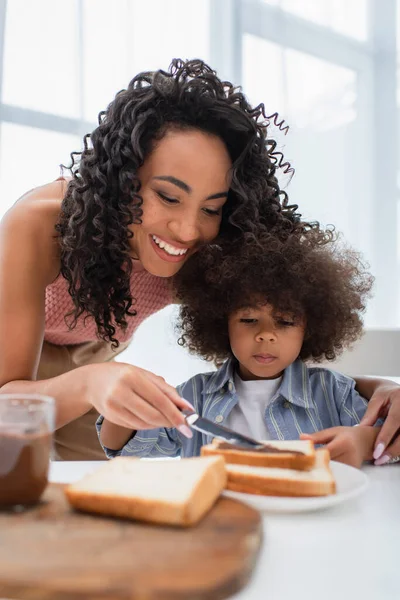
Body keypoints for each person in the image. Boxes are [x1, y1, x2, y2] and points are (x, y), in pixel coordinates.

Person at [1, 59, 399, 461]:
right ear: (121, 181)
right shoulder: (44, 224)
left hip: (94, 358)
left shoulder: (210, 251)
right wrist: (87, 384)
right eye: (168, 197)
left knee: (97, 491)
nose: (188, 231)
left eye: (211, 209)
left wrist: (382, 390)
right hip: (15, 372)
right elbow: (5, 401)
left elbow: (279, 346)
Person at [98, 230, 398, 469]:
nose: (266, 335)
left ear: (311, 328)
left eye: (285, 321)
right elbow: (120, 447)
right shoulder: (193, 397)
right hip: (220, 528)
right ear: (220, 321)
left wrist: (364, 440)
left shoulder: (333, 393)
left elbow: (393, 435)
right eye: (249, 319)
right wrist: (122, 400)